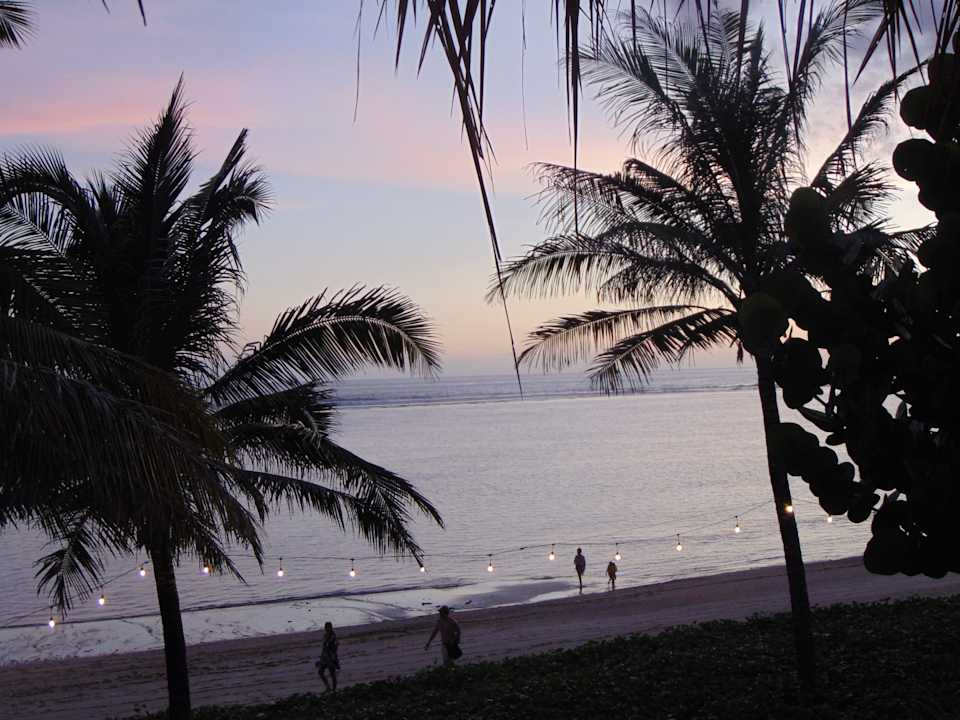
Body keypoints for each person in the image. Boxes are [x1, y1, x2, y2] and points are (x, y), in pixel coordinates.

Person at [314, 621, 340, 692]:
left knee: (332, 674)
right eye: (326, 627)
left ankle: (334, 689)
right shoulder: (325, 636)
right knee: (320, 672)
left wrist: (333, 657)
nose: (327, 629)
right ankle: (328, 687)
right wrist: (321, 657)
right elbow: (324, 647)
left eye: (329, 627)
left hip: (331, 657)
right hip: (324, 657)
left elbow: (336, 647)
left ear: (331, 628)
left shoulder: (333, 636)